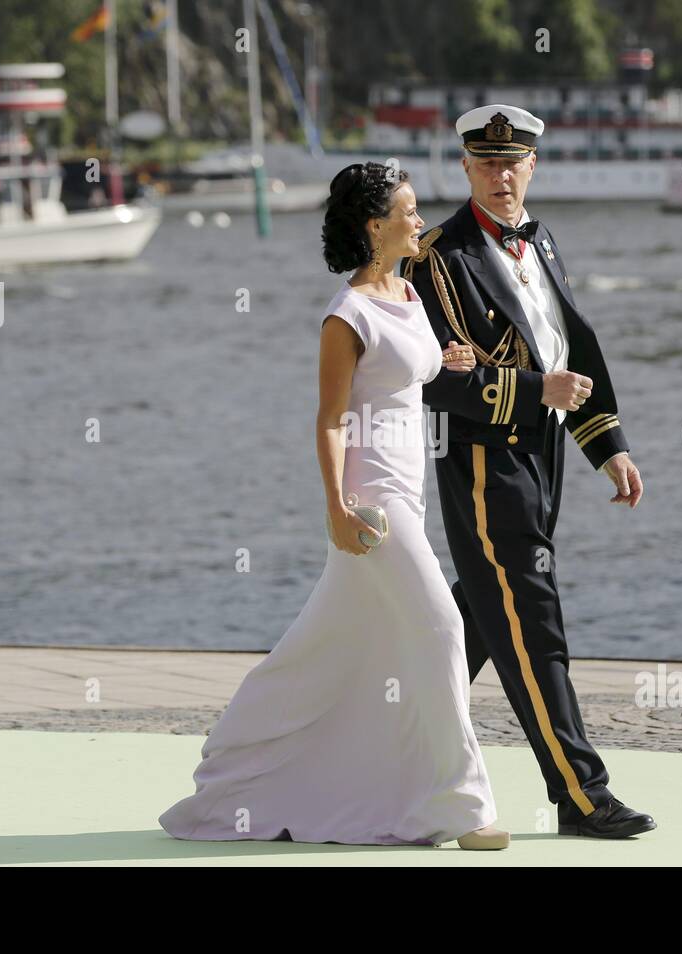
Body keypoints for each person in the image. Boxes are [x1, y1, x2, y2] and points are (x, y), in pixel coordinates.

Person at [157, 162, 509, 850]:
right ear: (375, 226)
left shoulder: (407, 293)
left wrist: (451, 361)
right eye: (407, 211)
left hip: (410, 494)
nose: (419, 220)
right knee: (442, 628)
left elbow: (415, 369)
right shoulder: (343, 316)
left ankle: (235, 780)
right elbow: (329, 420)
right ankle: (465, 809)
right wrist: (338, 509)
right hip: (374, 506)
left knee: (327, 652)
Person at [402, 104, 657, 839]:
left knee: (481, 615)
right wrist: (527, 390)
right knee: (531, 618)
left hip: (541, 451)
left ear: (533, 166)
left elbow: (571, 348)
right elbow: (433, 382)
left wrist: (607, 445)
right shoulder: (435, 256)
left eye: (512, 163)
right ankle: (582, 795)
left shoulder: (542, 242)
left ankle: (385, 749)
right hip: (481, 454)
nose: (501, 175)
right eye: (486, 164)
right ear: (465, 169)